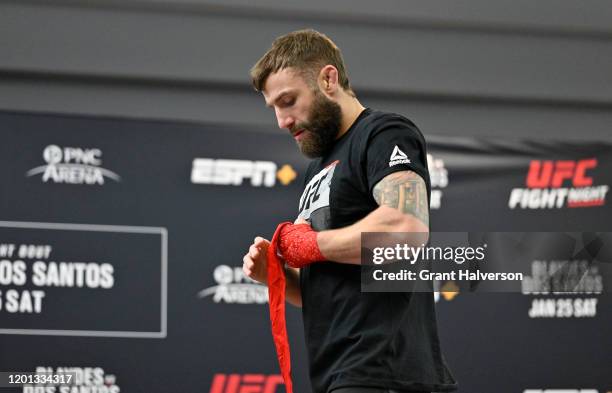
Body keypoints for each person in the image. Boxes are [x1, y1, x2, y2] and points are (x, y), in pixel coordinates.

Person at [243, 29, 457, 393]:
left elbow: (406, 228)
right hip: (337, 374)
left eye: (289, 100)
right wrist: (278, 276)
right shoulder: (318, 167)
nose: (283, 120)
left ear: (328, 79)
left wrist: (313, 245)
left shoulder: (383, 133)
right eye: (275, 108)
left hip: (385, 372)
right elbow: (326, 286)